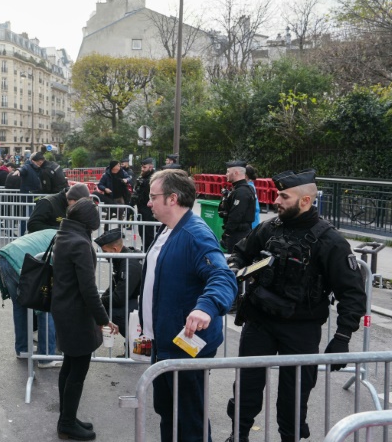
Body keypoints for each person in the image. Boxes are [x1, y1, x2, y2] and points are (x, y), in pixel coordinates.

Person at [224, 168, 366, 442]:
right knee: (246, 387)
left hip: (301, 329)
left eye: (283, 196)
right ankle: (238, 435)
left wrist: (342, 336)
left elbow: (352, 293)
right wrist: (234, 269)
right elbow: (241, 253)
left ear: (305, 201)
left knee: (294, 395)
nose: (276, 200)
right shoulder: (270, 227)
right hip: (260, 322)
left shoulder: (330, 240)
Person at [141, 169, 237, 442]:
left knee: (188, 418)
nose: (149, 202)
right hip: (166, 342)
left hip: (186, 346)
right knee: (168, 412)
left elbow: (223, 277)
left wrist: (205, 306)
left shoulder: (196, 235)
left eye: (153, 197)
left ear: (172, 198)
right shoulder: (167, 229)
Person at [52, 198, 119, 441]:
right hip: (76, 313)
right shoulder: (80, 243)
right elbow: (88, 289)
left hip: (64, 309)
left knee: (70, 365)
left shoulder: (64, 234)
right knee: (77, 369)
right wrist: (104, 319)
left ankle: (66, 417)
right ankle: (67, 423)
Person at [0, 229, 61, 368]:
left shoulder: (55, 232)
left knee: (20, 305)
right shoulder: (67, 242)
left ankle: (22, 349)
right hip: (19, 261)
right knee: (45, 305)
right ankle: (46, 357)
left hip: (5, 256)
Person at [94, 229, 142, 336]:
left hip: (141, 304)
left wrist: (99, 302)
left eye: (105, 252)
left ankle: (132, 346)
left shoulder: (129, 264)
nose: (104, 256)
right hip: (134, 300)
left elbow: (119, 298)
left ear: (115, 249)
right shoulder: (121, 259)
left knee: (115, 312)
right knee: (104, 308)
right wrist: (98, 303)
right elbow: (114, 286)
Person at [218, 160, 256, 252]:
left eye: (228, 172)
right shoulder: (239, 189)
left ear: (236, 173)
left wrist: (226, 234)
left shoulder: (242, 192)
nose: (226, 174)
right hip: (237, 233)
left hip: (238, 235)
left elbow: (235, 216)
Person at [134, 158, 157, 250]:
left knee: (149, 232)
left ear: (151, 167)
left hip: (149, 209)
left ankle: (149, 250)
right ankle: (145, 249)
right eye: (142, 167)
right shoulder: (142, 177)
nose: (142, 169)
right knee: (142, 231)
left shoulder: (153, 178)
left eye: (144, 167)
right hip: (141, 208)